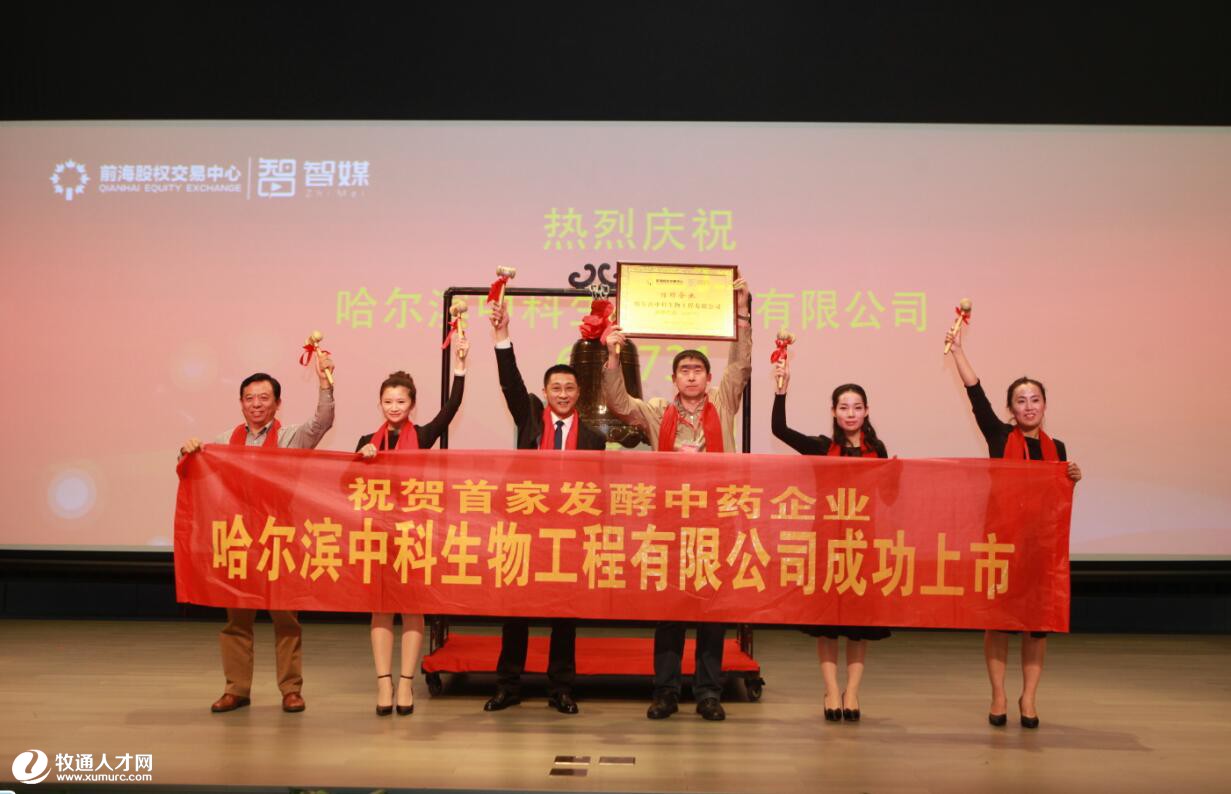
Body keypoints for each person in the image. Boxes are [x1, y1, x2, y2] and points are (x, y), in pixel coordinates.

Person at [602, 278, 752, 721]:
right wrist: (612, 354)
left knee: (711, 610)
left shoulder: (723, 403)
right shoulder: (657, 412)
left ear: (708, 378)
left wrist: (741, 312)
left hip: (716, 520)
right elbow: (617, 401)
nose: (690, 375)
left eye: (697, 370)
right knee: (669, 611)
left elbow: (741, 366)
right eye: (683, 370)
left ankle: (708, 693)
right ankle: (665, 691)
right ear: (673, 379)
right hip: (670, 523)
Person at [179, 351, 336, 714]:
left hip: (278, 538)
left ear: (277, 403)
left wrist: (325, 381)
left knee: (286, 619)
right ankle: (236, 689)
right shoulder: (224, 440)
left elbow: (323, 421)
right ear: (241, 403)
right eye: (249, 398)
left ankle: (291, 690)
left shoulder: (292, 437)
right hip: (238, 540)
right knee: (236, 621)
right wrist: (188, 452)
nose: (256, 404)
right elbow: (198, 470)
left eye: (264, 398)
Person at [944, 326, 1082, 729]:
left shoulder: (1058, 449)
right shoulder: (999, 436)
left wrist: (1072, 477)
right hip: (1001, 545)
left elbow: (1056, 500)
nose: (1028, 406)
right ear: (1010, 409)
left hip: (1040, 549)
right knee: (1000, 623)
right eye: (1020, 401)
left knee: (1036, 628)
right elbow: (975, 394)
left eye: (1034, 399)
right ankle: (999, 695)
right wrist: (958, 352)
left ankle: (1029, 698)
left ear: (1044, 405)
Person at [482, 299, 605, 715]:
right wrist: (502, 334)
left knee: (564, 616)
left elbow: (598, 491)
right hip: (525, 531)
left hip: (569, 536)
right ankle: (508, 686)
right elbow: (510, 382)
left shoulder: (593, 438)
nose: (563, 394)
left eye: (570, 388)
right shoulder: (531, 419)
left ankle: (561, 689)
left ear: (578, 393)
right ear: (546, 392)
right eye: (556, 388)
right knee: (515, 613)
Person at [771, 356, 891, 723]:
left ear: (866, 411)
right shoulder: (822, 447)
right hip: (826, 543)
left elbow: (887, 496)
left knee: (858, 625)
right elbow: (779, 430)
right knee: (827, 624)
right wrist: (781, 390)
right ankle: (831, 690)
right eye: (844, 407)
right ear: (834, 412)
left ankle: (852, 691)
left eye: (857, 407)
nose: (850, 413)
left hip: (862, 543)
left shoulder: (878, 450)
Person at [356, 337, 468, 716]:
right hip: (377, 535)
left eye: (400, 401)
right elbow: (347, 488)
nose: (394, 407)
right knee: (380, 610)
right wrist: (361, 460)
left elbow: (451, 408)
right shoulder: (365, 441)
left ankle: (406, 683)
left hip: (414, 534)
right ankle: (383, 683)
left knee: (412, 610)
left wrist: (460, 367)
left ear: (411, 404)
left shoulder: (420, 436)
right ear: (380, 403)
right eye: (388, 401)